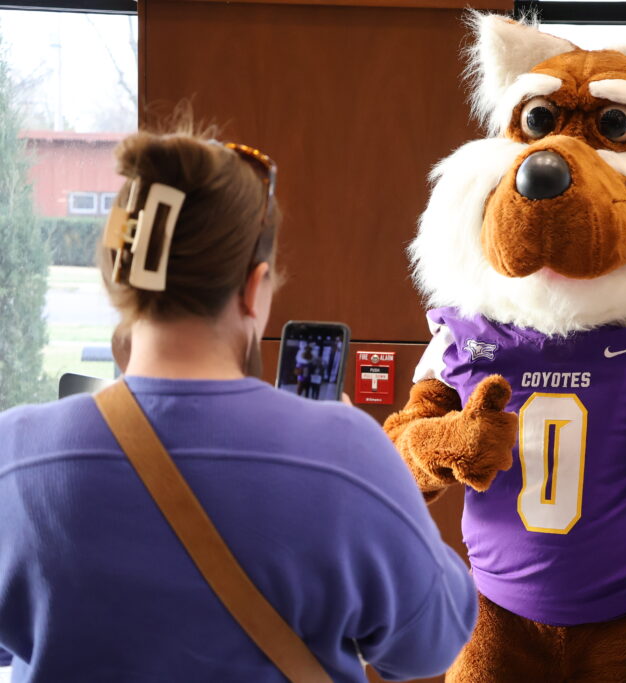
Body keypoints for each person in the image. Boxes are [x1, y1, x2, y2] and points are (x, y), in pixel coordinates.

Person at [0, 130, 476, 681]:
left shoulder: (15, 453)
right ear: (255, 287)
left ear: (120, 280)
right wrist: (368, 469)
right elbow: (430, 642)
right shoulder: (344, 452)